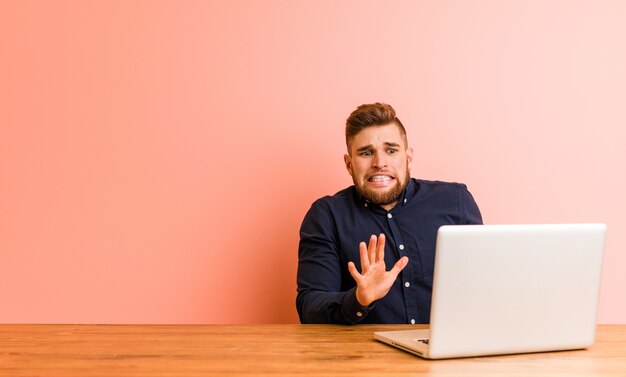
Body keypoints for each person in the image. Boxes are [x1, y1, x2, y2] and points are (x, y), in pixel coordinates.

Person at [296, 102, 483, 324]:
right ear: (348, 164)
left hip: (449, 353)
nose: (379, 163)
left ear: (408, 157)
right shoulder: (326, 216)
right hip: (367, 357)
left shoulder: (455, 201)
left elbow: (484, 284)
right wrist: (358, 299)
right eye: (366, 153)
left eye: (391, 150)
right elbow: (309, 307)